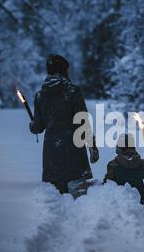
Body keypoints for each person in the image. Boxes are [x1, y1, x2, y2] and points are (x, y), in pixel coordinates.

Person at [29, 54, 99, 197]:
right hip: (74, 152)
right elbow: (83, 121)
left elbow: (38, 127)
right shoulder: (72, 91)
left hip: (51, 155)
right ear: (63, 70)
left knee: (55, 199)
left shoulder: (40, 95)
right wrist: (92, 146)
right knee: (79, 200)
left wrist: (32, 126)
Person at [104, 134, 144, 204]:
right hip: (140, 202)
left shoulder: (112, 164)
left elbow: (107, 184)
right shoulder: (141, 163)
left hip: (120, 203)